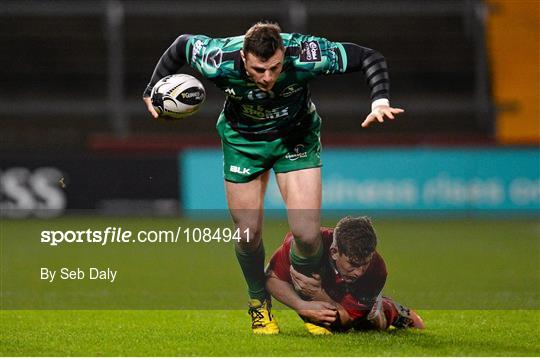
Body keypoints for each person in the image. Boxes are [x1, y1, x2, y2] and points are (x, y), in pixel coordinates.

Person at [143, 21, 404, 334]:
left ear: (284, 54)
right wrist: (152, 89)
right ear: (243, 57)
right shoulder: (217, 58)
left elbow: (369, 57)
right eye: (259, 69)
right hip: (244, 143)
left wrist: (380, 100)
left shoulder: (307, 53)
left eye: (275, 68)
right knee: (248, 234)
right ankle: (258, 303)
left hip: (295, 139)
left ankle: (309, 303)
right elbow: (182, 43)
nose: (268, 77)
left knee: (307, 235)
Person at [266, 216, 424, 335]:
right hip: (323, 288)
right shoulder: (306, 247)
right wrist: (301, 306)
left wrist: (318, 295)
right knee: (318, 303)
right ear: (334, 252)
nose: (359, 272)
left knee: (369, 326)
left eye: (365, 264)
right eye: (354, 264)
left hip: (350, 296)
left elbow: (347, 321)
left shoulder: (376, 270)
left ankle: (390, 309)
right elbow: (270, 278)